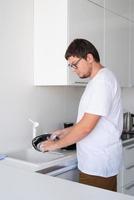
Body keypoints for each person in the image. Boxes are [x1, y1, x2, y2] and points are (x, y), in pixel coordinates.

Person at [40, 39, 123, 192]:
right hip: (94, 163)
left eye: (75, 64)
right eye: (70, 66)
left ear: (89, 58)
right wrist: (66, 131)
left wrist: (56, 144)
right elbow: (87, 120)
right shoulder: (97, 81)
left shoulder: (102, 82)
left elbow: (86, 127)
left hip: (98, 165)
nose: (73, 69)